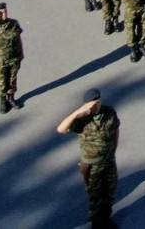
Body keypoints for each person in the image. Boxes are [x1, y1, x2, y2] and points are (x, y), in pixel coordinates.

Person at [57, 89, 119, 229]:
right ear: (85, 105)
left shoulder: (109, 112)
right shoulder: (81, 119)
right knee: (96, 197)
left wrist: (114, 150)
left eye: (97, 102)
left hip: (108, 160)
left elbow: (115, 130)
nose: (95, 106)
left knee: (110, 191)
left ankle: (106, 219)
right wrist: (77, 113)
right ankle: (97, 225)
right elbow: (61, 129)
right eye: (92, 104)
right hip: (92, 165)